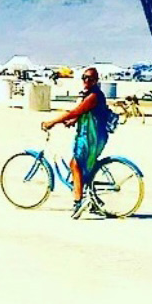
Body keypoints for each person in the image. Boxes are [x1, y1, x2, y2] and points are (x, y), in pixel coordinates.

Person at [41, 67, 110, 219]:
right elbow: (84, 112)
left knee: (75, 165)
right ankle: (92, 200)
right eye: (84, 78)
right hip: (90, 134)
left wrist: (52, 122)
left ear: (96, 81)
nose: (86, 81)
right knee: (84, 167)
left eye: (90, 79)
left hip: (91, 137)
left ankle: (78, 202)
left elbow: (76, 111)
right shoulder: (90, 95)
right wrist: (74, 120)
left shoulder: (93, 96)